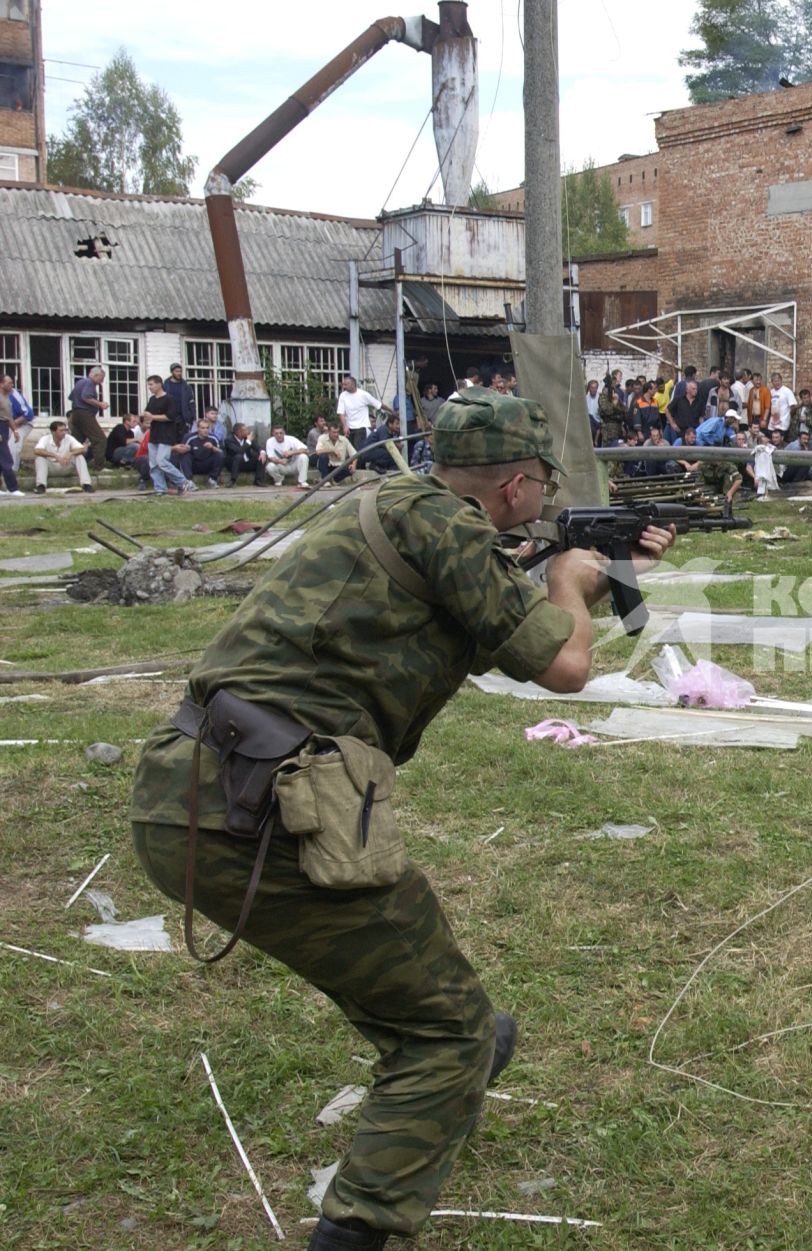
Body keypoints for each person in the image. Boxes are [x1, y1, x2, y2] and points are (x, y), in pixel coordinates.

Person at [129, 388, 664, 1251]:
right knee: (444, 1031)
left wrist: (578, 576)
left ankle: (454, 1081)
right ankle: (363, 1221)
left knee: (446, 1006)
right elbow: (565, 666)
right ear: (519, 487)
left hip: (188, 786)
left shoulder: (396, 504)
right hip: (269, 810)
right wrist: (570, 577)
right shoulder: (452, 531)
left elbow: (510, 630)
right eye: (541, 489)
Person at [144, 374, 194, 496]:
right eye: (148, 385)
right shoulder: (152, 400)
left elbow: (170, 416)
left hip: (166, 434)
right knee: (154, 464)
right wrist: (145, 418)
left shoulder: (169, 399)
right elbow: (148, 413)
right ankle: (160, 488)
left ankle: (183, 481)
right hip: (154, 434)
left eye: (152, 384)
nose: (150, 387)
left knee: (162, 461)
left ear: (159, 384)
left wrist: (153, 417)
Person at [32, 419, 95, 493]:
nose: (64, 433)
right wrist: (55, 456)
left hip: (65, 466)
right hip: (50, 468)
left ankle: (86, 484)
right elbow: (36, 450)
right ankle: (41, 486)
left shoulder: (69, 438)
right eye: (61, 431)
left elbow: (82, 449)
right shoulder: (45, 439)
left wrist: (71, 453)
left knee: (79, 457)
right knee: (40, 459)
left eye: (65, 430)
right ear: (53, 432)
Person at [67, 366, 111, 471]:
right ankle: (99, 467)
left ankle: (70, 465)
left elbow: (72, 397)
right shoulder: (89, 382)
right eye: (102, 378)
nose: (102, 381)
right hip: (85, 414)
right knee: (100, 439)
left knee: (76, 441)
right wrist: (100, 404)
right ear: (96, 375)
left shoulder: (80, 382)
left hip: (76, 413)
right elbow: (86, 397)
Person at [2, 373, 34, 495]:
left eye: (11, 382)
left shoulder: (14, 394)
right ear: (1, 384)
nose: (12, 384)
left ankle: (12, 481)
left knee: (13, 447)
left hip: (21, 423)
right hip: (4, 425)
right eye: (9, 382)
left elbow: (28, 414)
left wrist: (13, 427)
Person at [337, 376, 383, 450]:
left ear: (352, 385)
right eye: (343, 384)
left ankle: (360, 461)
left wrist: (391, 411)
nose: (344, 387)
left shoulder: (363, 394)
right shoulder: (343, 395)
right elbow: (341, 412)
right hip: (349, 428)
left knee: (358, 449)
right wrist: (344, 426)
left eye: (345, 384)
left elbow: (378, 404)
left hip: (361, 427)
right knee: (350, 450)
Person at [265, 424, 311, 488]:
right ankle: (279, 479)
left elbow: (306, 450)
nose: (279, 435)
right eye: (276, 433)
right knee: (269, 466)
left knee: (303, 456)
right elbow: (270, 457)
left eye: (281, 433)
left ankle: (302, 482)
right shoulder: (270, 441)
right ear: (273, 434)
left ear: (284, 433)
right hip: (281, 466)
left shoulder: (291, 439)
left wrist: (292, 452)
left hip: (294, 465)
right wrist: (279, 461)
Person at [186, 418, 227, 487]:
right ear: (198, 429)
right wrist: (187, 448)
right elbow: (182, 449)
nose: (206, 430)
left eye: (207, 428)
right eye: (203, 428)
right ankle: (188, 481)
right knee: (185, 455)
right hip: (195, 464)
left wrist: (212, 447)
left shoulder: (213, 438)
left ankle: (212, 480)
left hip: (207, 464)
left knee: (220, 455)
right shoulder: (190, 438)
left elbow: (221, 452)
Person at [225, 423, 268, 487]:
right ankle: (232, 481)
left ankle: (259, 480)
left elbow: (259, 447)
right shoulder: (229, 440)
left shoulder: (247, 438)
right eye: (245, 430)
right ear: (239, 432)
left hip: (247, 462)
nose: (248, 431)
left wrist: (262, 453)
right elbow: (239, 451)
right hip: (234, 464)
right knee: (238, 456)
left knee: (261, 456)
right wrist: (248, 442)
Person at [163, 364, 195, 441]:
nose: (179, 373)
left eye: (180, 371)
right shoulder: (165, 386)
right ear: (172, 372)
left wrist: (192, 416)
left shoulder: (186, 386)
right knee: (169, 441)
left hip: (183, 419)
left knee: (183, 440)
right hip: (169, 418)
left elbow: (191, 402)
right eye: (177, 371)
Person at [311, 418, 350, 483]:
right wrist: (332, 450)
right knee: (323, 456)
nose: (336, 434)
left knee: (349, 469)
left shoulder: (343, 439)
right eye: (334, 432)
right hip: (326, 463)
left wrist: (354, 464)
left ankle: (333, 479)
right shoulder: (321, 437)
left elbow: (354, 454)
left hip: (338, 464)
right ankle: (325, 481)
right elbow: (318, 451)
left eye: (337, 432)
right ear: (329, 432)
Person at [769, 373, 795, 440]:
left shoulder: (787, 391)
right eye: (775, 381)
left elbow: (793, 406)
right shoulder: (771, 392)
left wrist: (788, 417)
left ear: (781, 380)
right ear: (772, 382)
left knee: (781, 444)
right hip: (772, 425)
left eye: (778, 380)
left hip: (783, 424)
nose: (777, 383)